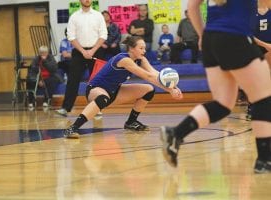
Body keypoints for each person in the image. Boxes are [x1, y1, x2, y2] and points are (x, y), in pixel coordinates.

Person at [161, 0, 271, 174]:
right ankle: (265, 160)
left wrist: (202, 36)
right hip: (236, 37)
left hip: (211, 41)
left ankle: (175, 134)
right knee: (264, 98)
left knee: (223, 103)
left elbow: (192, 6)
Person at [63, 36, 183, 139]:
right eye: (141, 48)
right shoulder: (124, 59)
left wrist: (173, 86)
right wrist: (169, 90)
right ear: (131, 48)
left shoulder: (141, 59)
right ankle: (72, 128)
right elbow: (147, 76)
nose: (144, 51)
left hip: (115, 91)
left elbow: (155, 74)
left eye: (144, 48)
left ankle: (131, 122)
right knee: (103, 98)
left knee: (149, 90)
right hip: (96, 89)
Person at [55, 0, 107, 117]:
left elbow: (103, 35)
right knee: (73, 79)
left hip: (96, 50)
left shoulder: (98, 15)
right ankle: (66, 108)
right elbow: (71, 36)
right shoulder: (74, 17)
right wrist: (83, 51)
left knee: (96, 81)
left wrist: (92, 51)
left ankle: (97, 108)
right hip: (79, 51)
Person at [27, 46, 62, 110]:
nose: (43, 54)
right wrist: (39, 80)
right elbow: (32, 70)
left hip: (50, 76)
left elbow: (53, 69)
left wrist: (45, 61)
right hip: (39, 77)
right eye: (41, 53)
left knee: (52, 81)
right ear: (39, 53)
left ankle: (46, 100)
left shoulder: (51, 58)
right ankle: (31, 101)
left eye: (45, 52)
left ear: (47, 52)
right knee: (30, 81)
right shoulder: (36, 59)